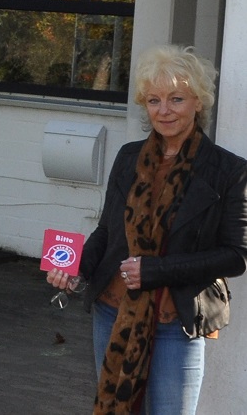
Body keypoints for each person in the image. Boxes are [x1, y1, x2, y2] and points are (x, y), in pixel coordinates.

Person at [45, 45, 247, 415]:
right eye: (154, 100)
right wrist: (76, 269)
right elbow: (106, 233)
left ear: (198, 102)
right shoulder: (128, 158)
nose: (164, 110)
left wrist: (156, 271)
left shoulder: (229, 171)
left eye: (176, 99)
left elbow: (236, 255)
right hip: (113, 311)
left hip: (176, 319)